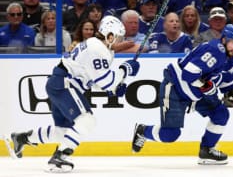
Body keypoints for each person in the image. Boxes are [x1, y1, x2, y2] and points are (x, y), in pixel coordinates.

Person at [5, 15, 140, 173]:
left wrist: (115, 88)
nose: (120, 40)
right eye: (118, 37)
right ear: (110, 36)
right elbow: (106, 81)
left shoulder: (98, 48)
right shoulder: (97, 49)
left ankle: (23, 138)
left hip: (59, 83)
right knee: (87, 120)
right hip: (65, 84)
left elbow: (95, 81)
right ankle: (60, 156)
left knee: (62, 132)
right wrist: (125, 70)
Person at [131, 24, 233, 165]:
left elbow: (228, 83)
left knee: (221, 114)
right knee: (170, 135)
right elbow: (188, 74)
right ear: (224, 39)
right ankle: (143, 131)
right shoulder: (214, 50)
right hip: (177, 88)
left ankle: (207, 150)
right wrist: (207, 87)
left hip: (197, 92)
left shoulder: (231, 59)